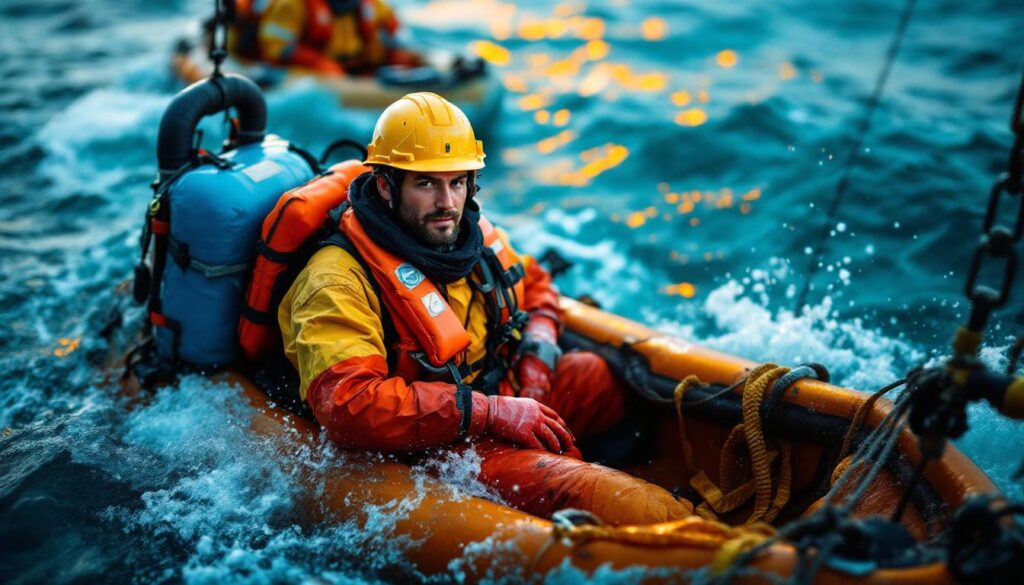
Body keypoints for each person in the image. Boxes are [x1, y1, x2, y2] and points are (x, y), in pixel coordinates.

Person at [278, 92, 692, 525]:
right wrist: (488, 412)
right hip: (431, 447)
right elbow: (349, 406)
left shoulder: (466, 238)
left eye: (457, 182)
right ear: (385, 186)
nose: (447, 203)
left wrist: (537, 350)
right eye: (426, 183)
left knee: (598, 379)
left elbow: (535, 285)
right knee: (593, 491)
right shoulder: (336, 279)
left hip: (491, 397)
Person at [229, 0, 421, 75]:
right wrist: (318, 63)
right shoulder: (291, 5)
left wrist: (401, 51)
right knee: (330, 71)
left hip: (355, 68)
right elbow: (276, 47)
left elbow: (395, 29)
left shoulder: (370, 6)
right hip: (308, 72)